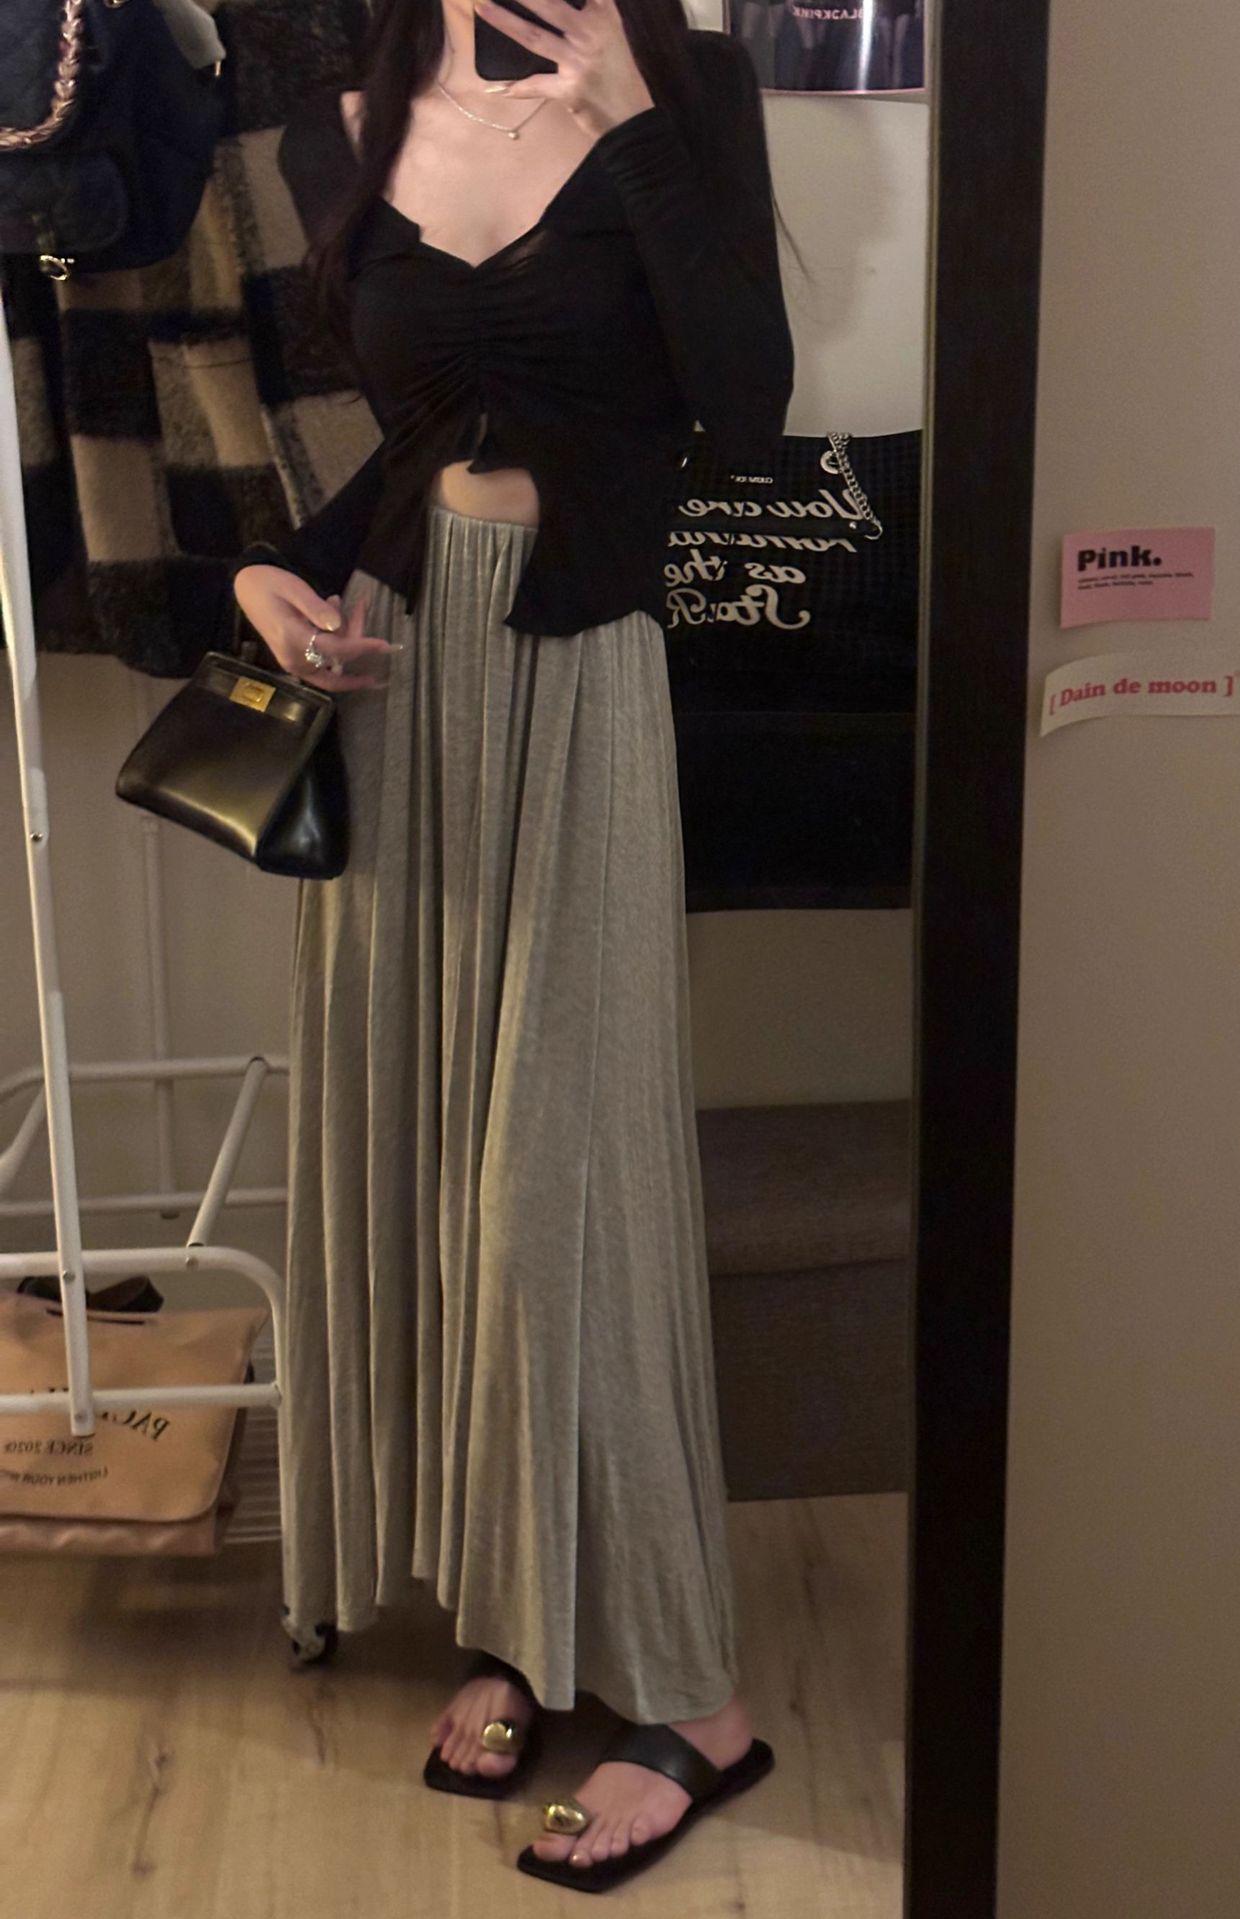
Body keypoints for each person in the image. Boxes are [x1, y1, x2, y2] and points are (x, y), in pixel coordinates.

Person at [228, 0, 795, 1894]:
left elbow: (744, 406)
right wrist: (267, 571)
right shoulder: (346, 118)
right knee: (435, 1172)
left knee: (564, 1188)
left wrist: (633, 121)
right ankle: (520, 1623)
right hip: (399, 689)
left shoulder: (690, 89)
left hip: (579, 671)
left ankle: (698, 1699)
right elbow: (406, 443)